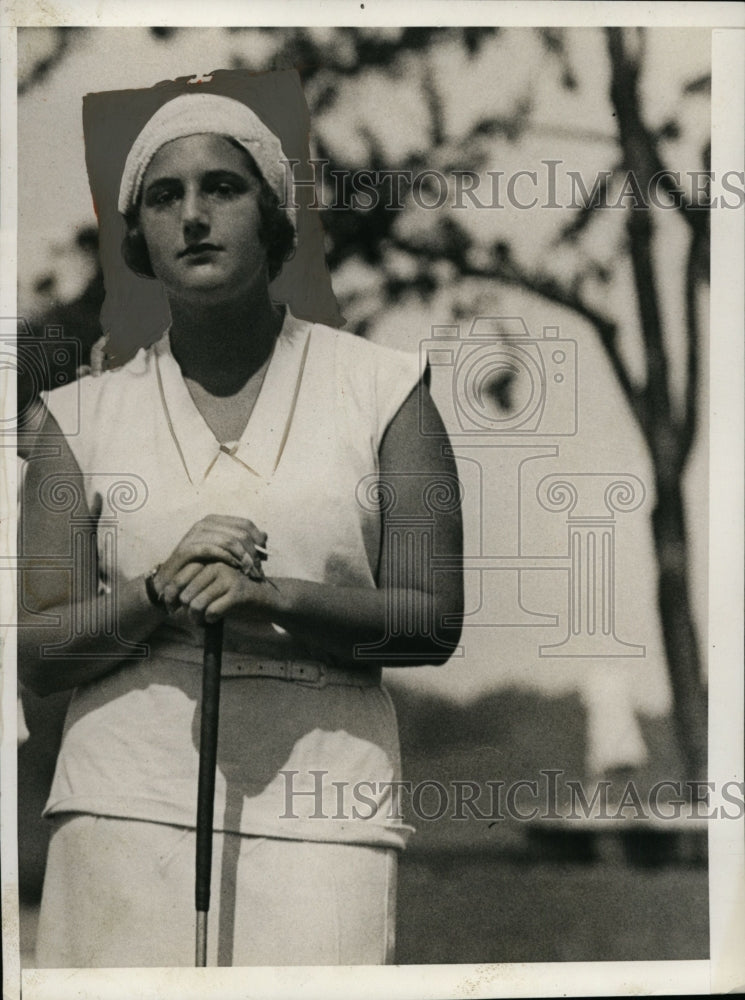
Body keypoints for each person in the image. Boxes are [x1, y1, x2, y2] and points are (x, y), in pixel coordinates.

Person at [19, 90, 463, 968]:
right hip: (121, 802)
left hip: (326, 803)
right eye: (162, 196)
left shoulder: (386, 392)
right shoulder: (76, 419)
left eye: (221, 187)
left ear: (274, 219)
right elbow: (38, 652)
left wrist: (273, 595)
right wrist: (156, 595)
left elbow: (433, 620)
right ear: (138, 237)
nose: (191, 216)